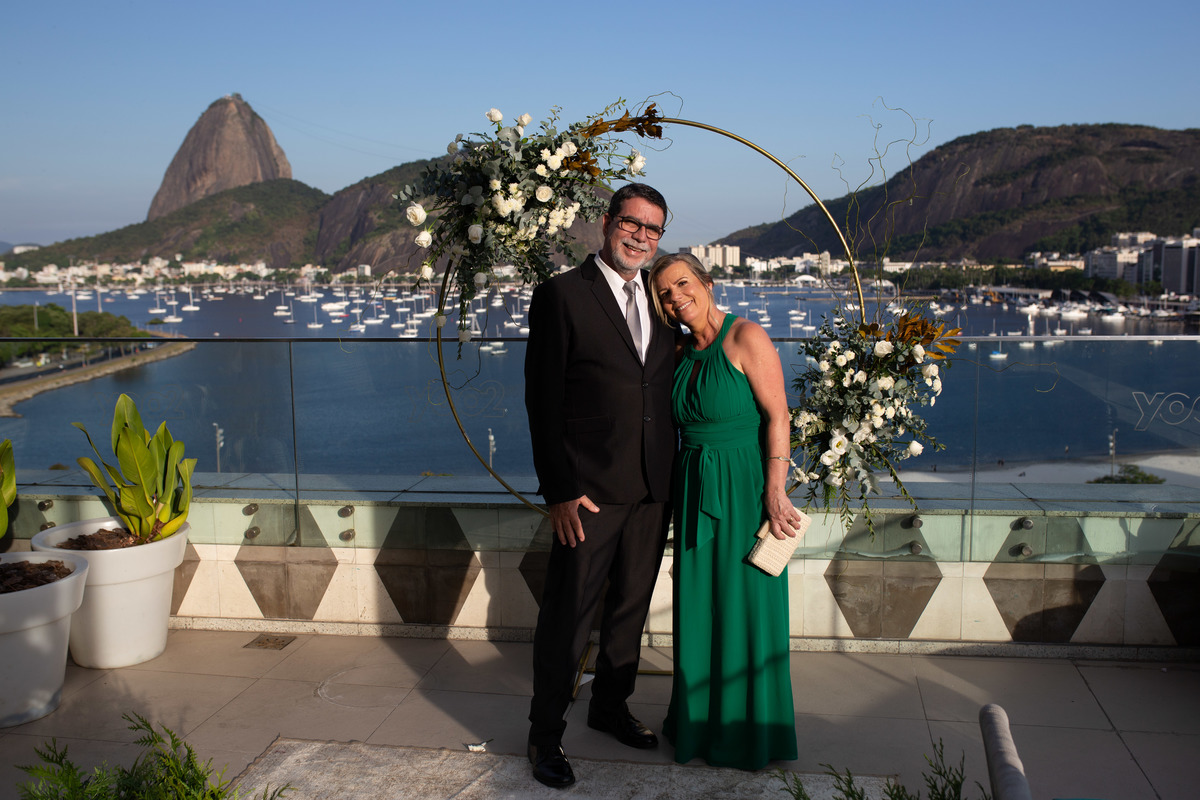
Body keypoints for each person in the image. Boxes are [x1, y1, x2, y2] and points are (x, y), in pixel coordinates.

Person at [523, 184, 677, 788]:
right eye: (631, 223)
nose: (641, 236)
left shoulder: (661, 299)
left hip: (653, 487)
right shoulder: (561, 294)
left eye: (653, 229)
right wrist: (559, 490)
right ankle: (544, 735)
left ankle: (610, 707)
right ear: (608, 223)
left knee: (629, 610)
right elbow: (542, 400)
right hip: (587, 491)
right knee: (569, 616)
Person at [648, 252, 802, 770]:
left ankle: (751, 733)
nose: (676, 297)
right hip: (693, 485)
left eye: (682, 284)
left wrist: (775, 492)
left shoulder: (746, 336)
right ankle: (698, 725)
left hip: (743, 486)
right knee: (697, 606)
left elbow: (778, 416)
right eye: (665, 293)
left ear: (707, 282)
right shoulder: (677, 350)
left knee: (746, 605)